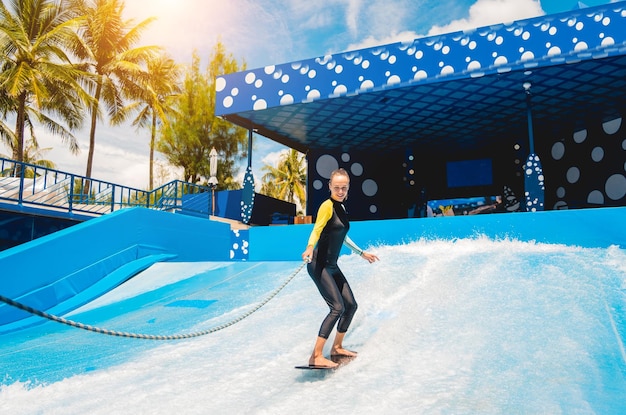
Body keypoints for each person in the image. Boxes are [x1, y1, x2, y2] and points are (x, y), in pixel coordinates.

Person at [301, 168, 379, 368]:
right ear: (330, 187)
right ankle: (316, 356)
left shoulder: (342, 208)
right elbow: (317, 229)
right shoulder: (326, 206)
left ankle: (336, 347)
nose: (340, 191)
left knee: (351, 305)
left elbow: (342, 236)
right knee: (337, 307)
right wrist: (310, 248)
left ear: (348, 187)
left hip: (332, 266)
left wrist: (362, 253)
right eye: (337, 187)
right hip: (319, 264)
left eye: (344, 187)